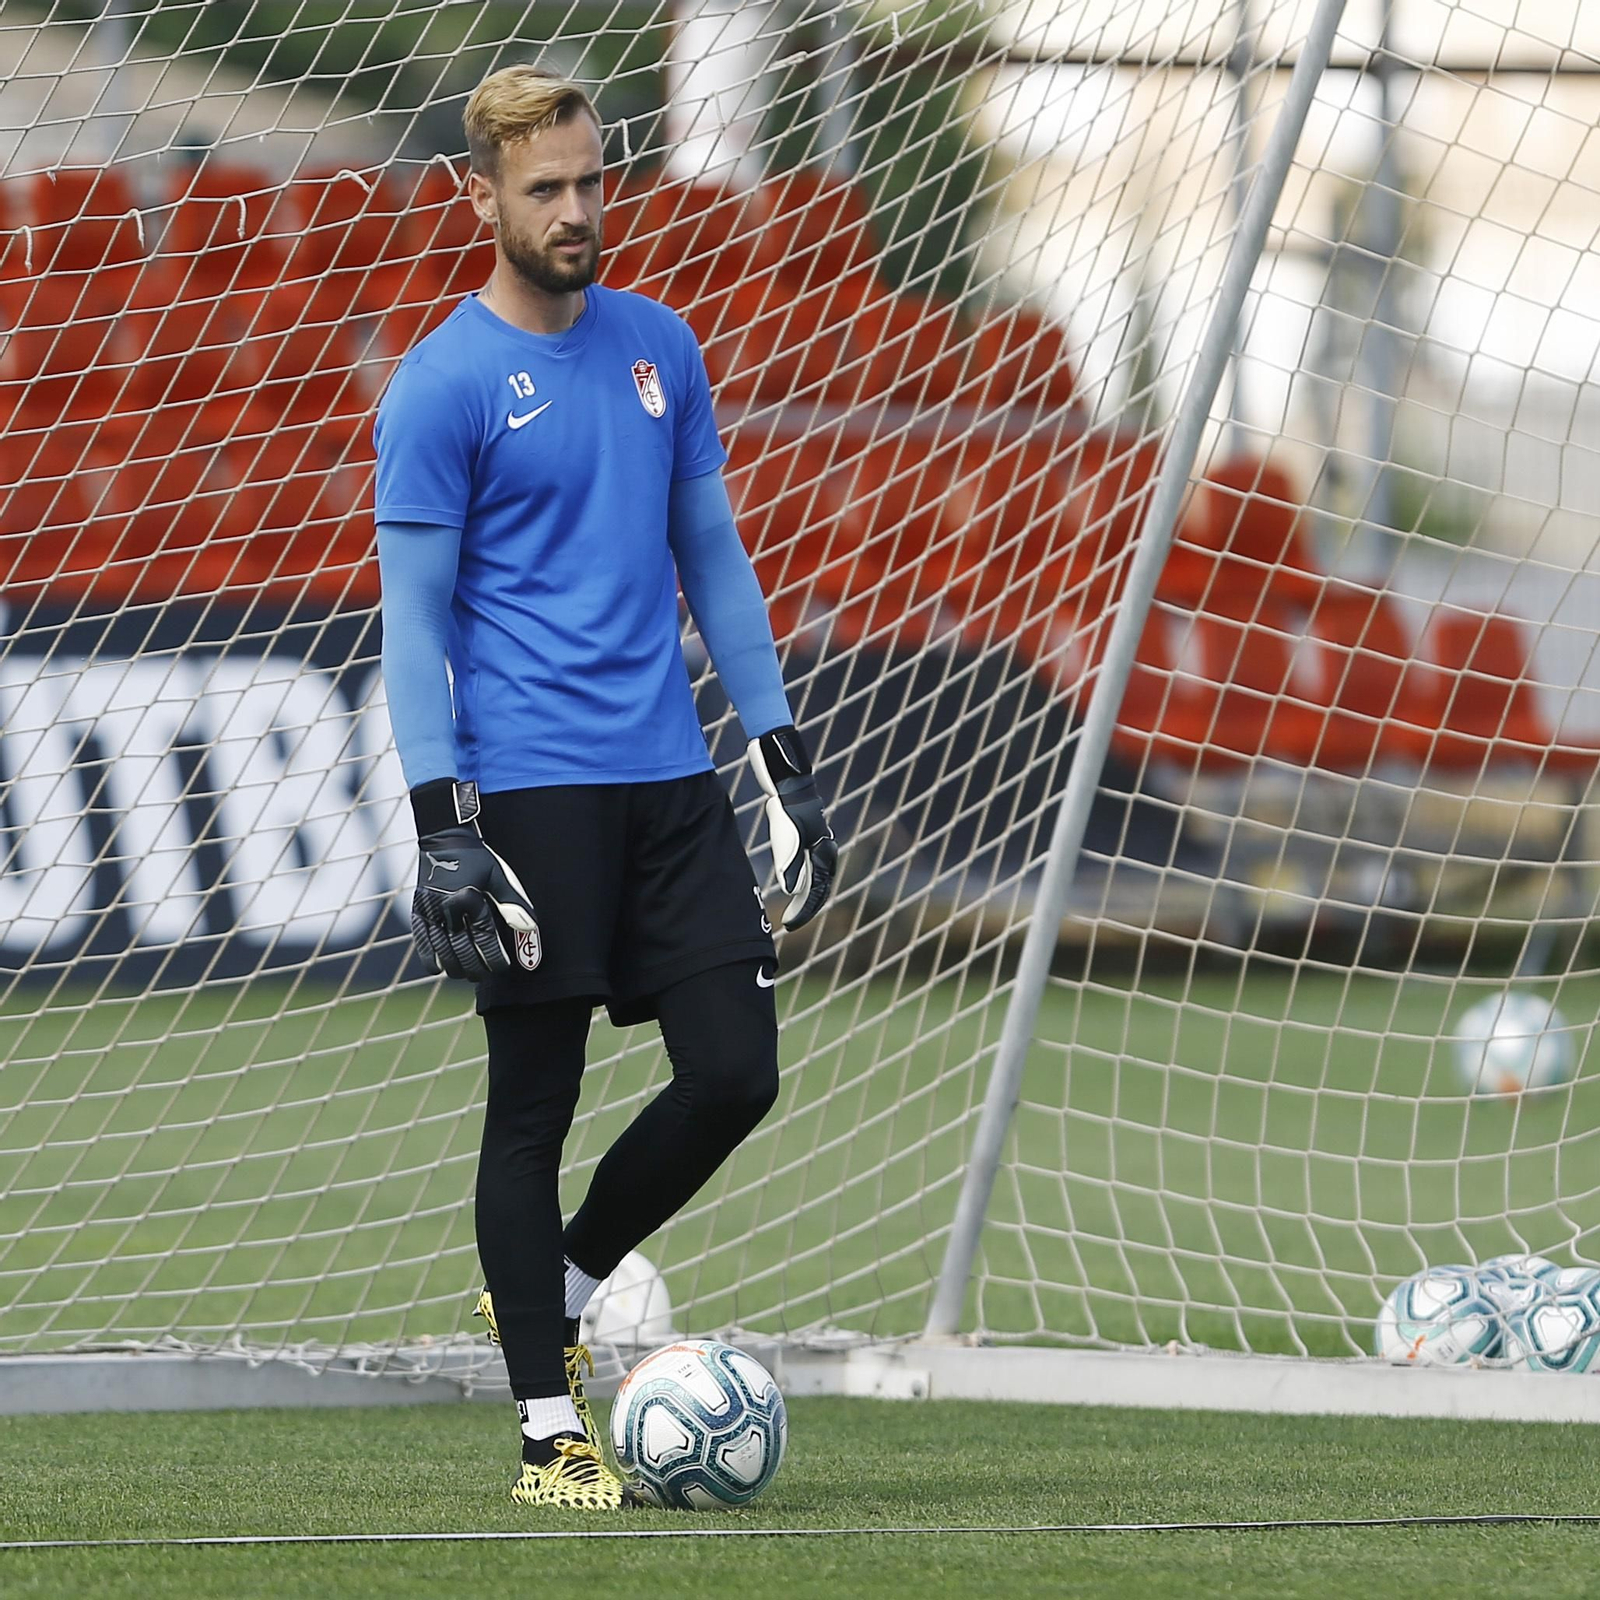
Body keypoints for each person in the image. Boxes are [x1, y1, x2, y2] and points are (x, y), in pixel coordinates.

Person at [373, 64, 837, 1510]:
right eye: (546, 189)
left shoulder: (661, 347)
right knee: (534, 1110)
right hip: (531, 798)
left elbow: (714, 551)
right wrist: (443, 827)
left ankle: (565, 1283)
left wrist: (775, 749)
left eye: (591, 181)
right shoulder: (443, 384)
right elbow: (412, 624)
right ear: (484, 198)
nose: (577, 210)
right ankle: (542, 1428)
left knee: (736, 1073)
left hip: (669, 781)